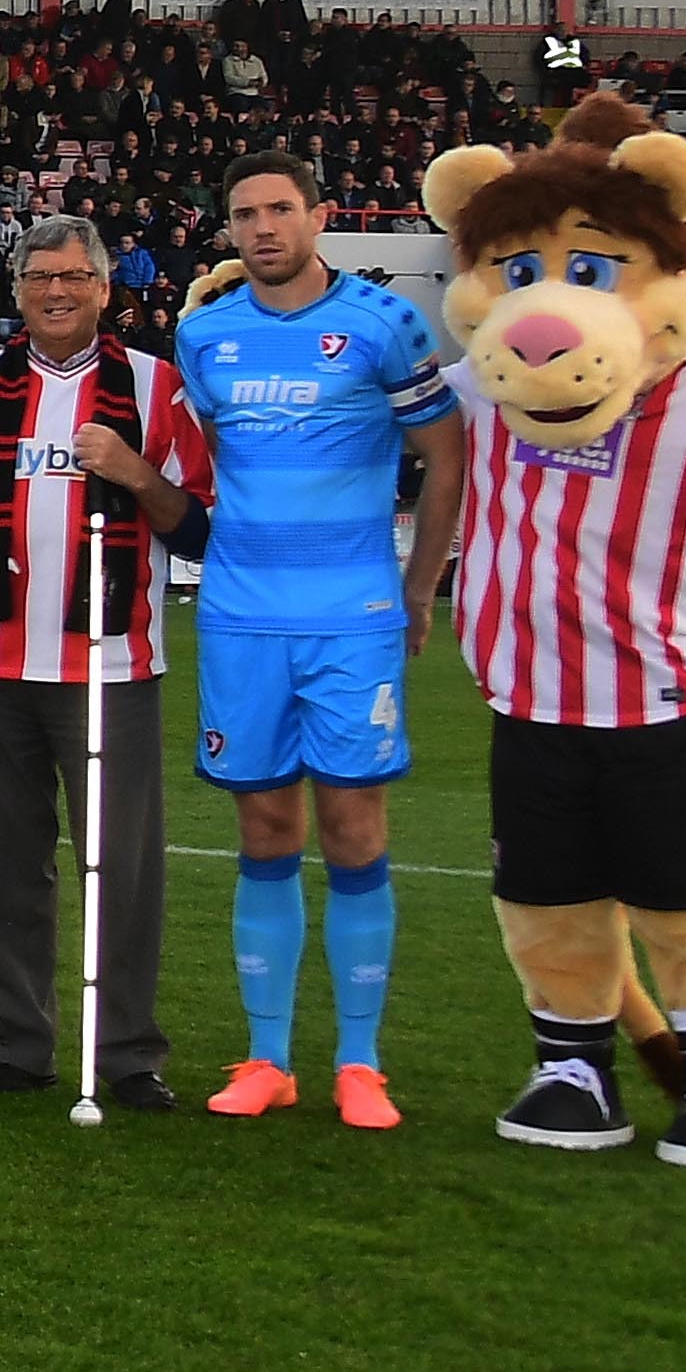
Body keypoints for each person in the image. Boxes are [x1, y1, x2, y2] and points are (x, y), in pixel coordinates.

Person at [0, 215, 213, 1107]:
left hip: (111, 671)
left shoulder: (154, 387)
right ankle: (22, 1043)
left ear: (107, 289)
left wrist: (136, 471)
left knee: (123, 870)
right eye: (40, 277)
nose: (56, 291)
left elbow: (200, 519)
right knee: (5, 867)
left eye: (75, 276)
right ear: (18, 287)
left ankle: (128, 1055)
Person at [165, 151, 464, 1130]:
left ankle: (361, 1063)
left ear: (319, 216)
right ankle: (267, 1056)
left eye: (281, 209)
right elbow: (212, 463)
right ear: (229, 226)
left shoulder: (385, 324)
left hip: (353, 619)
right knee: (265, 831)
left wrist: (421, 586)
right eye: (244, 212)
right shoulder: (204, 336)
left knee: (353, 829)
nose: (263, 227)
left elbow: (445, 453)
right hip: (243, 616)